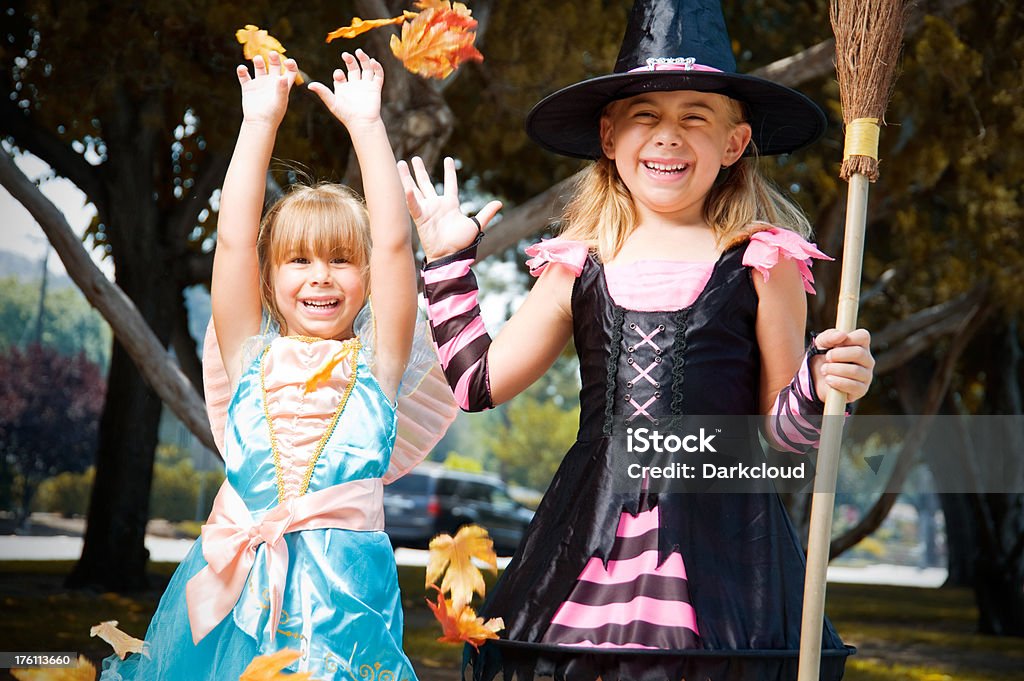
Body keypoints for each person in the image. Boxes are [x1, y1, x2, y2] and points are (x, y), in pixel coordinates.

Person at [399, 1, 875, 679]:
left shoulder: (764, 263)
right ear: (610, 135)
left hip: (721, 555)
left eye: (695, 117)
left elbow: (783, 436)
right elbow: (477, 384)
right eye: (646, 117)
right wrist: (447, 263)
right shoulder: (577, 263)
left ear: (735, 143)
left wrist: (824, 385)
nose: (668, 138)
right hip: (587, 539)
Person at [101, 49, 443, 680]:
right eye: (299, 261)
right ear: (267, 278)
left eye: (342, 260)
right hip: (232, 581)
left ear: (367, 280)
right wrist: (258, 122)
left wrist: (367, 126)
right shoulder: (248, 357)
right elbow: (233, 239)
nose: (322, 278)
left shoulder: (378, 366)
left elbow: (395, 245)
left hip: (346, 600)